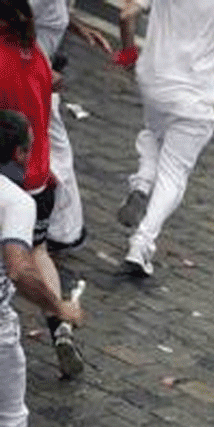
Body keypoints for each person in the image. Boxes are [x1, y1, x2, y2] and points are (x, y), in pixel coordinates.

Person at [115, 0, 214, 277]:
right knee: (174, 172)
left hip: (153, 81)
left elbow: (126, 15)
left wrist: (127, 54)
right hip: (192, 96)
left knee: (153, 132)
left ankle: (142, 182)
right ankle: (143, 242)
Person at [0, 0, 84, 378]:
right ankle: (58, 324)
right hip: (41, 178)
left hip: (9, 178)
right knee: (39, 250)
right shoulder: (33, 52)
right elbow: (53, 82)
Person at [0, 110, 85, 427]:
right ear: (19, 153)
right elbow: (19, 271)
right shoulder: (15, 202)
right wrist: (58, 307)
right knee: (11, 417)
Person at [28, 0, 112, 252]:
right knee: (54, 150)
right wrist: (40, 67)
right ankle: (63, 230)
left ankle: (64, 229)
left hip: (34, 75)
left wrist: (74, 26)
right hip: (29, 78)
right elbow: (11, 18)